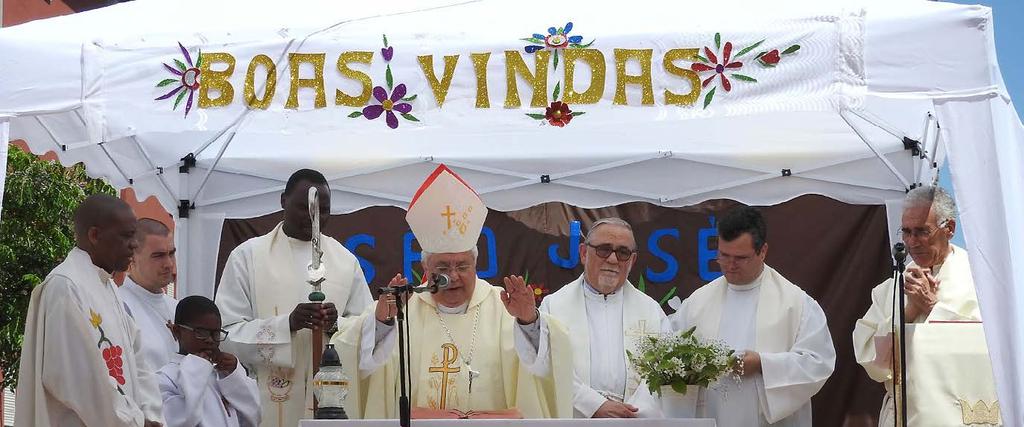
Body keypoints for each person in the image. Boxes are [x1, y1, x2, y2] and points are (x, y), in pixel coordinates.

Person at [336, 164, 573, 419]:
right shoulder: (401, 311)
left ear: (476, 265)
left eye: (462, 265)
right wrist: (382, 322)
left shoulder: (503, 308)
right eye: (443, 266)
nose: (453, 276)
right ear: (425, 266)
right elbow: (350, 351)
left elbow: (551, 358)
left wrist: (529, 321)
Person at [215, 168, 373, 425]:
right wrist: (286, 325)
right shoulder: (247, 257)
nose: (314, 217)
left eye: (324, 209)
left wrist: (336, 324)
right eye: (304, 207)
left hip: (330, 401)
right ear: (283, 201)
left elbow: (367, 332)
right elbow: (224, 335)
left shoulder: (345, 261)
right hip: (267, 400)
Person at [669, 206, 835, 426]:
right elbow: (671, 351)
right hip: (713, 414)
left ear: (763, 251)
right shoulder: (698, 302)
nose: (729, 266)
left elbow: (819, 363)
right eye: (723, 256)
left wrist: (762, 363)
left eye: (740, 258)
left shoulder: (796, 303)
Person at [15, 194, 164, 427]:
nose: (134, 244)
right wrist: (133, 422)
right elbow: (77, 379)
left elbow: (137, 361)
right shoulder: (65, 286)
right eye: (126, 236)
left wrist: (150, 414)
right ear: (95, 235)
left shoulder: (108, 286)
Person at [852, 186, 980, 425]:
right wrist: (909, 311)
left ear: (949, 228)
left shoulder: (980, 282)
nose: (912, 242)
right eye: (907, 232)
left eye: (922, 232)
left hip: (959, 413)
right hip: (905, 414)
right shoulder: (889, 289)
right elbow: (873, 362)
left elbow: (991, 349)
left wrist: (933, 307)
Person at [540, 217, 668, 418]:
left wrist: (633, 411)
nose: (613, 259)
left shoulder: (651, 311)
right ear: (584, 253)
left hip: (635, 420)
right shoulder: (554, 306)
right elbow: (546, 364)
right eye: (604, 249)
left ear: (632, 261)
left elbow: (664, 367)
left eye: (623, 252)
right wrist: (594, 404)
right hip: (577, 417)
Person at [158, 295, 260, 427]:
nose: (210, 340)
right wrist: (196, 369)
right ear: (177, 332)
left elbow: (254, 416)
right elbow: (179, 421)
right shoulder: (165, 378)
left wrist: (235, 377)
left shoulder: (222, 374)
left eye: (216, 333)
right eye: (201, 332)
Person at [120, 218, 179, 373]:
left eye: (171, 254)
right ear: (132, 258)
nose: (169, 264)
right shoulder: (119, 307)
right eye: (158, 255)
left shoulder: (177, 308)